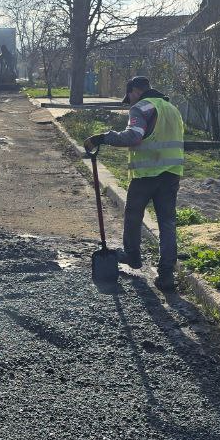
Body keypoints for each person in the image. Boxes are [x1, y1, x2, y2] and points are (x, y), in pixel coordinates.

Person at [83, 75, 185, 292]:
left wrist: (102, 138)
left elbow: (133, 137)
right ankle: (166, 275)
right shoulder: (171, 109)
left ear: (134, 91)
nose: (129, 102)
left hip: (147, 174)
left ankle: (132, 256)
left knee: (133, 216)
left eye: (128, 97)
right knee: (167, 223)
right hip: (171, 174)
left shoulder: (141, 107)